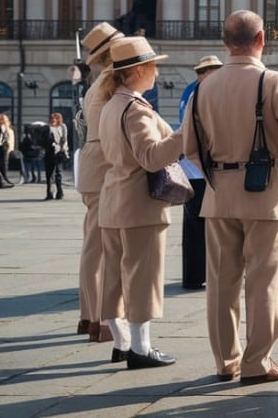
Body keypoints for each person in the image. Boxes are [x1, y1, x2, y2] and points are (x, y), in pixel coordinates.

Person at [182, 10, 278, 384]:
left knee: (220, 284)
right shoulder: (272, 81)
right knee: (263, 282)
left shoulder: (203, 87)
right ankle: (257, 362)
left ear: (226, 42)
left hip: (219, 195)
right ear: (261, 39)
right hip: (265, 197)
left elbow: (190, 147)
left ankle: (225, 361)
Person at [98, 36, 184, 368]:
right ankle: (141, 348)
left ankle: (121, 343)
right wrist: (183, 134)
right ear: (140, 71)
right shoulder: (134, 109)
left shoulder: (111, 105)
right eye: (154, 67)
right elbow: (150, 157)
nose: (157, 74)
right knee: (142, 277)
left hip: (113, 200)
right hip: (139, 204)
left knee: (116, 278)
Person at [74, 22, 124, 342]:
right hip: (104, 165)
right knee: (103, 247)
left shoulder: (97, 82)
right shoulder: (110, 81)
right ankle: (101, 320)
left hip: (94, 165)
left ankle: (88, 315)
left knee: (94, 246)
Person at [177, 54, 224, 290]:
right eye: (211, 71)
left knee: (197, 225)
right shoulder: (202, 93)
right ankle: (200, 275)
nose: (216, 74)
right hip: (200, 167)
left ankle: (195, 275)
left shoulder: (191, 91)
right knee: (201, 224)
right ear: (201, 74)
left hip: (196, 166)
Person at [43, 112, 70, 200]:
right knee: (49, 173)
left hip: (59, 152)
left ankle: (60, 192)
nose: (52, 120)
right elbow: (44, 140)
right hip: (49, 152)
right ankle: (49, 193)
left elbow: (64, 139)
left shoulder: (62, 127)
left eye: (54, 119)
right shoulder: (48, 128)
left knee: (58, 173)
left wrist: (64, 150)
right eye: (51, 119)